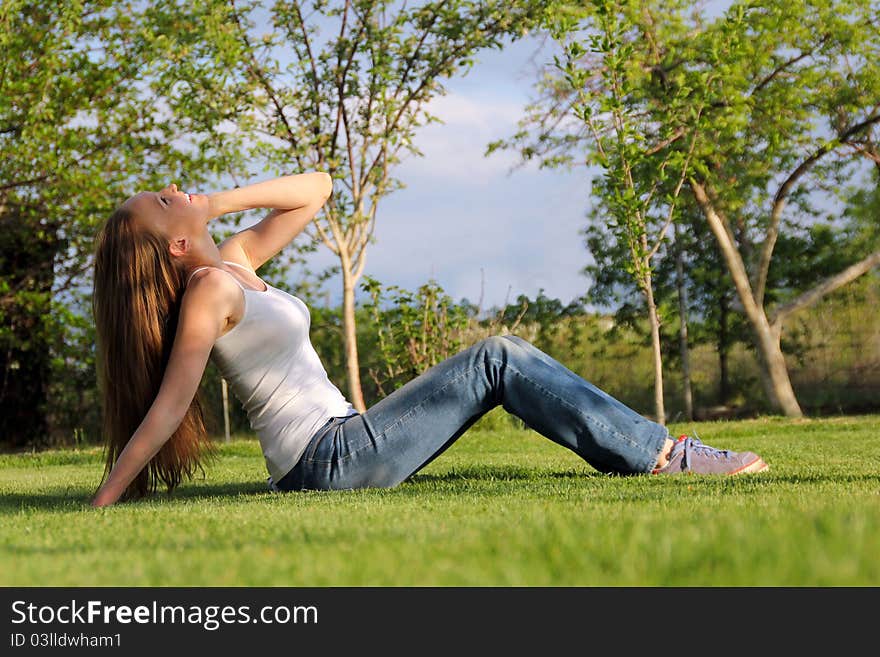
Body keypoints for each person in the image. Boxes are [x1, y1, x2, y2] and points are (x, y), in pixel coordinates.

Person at [90, 173, 768, 507]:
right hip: (324, 462)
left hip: (342, 440)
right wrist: (106, 497)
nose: (175, 187)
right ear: (176, 244)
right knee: (497, 357)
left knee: (498, 358)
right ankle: (664, 455)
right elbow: (172, 406)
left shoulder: (234, 260)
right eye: (163, 198)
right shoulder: (208, 293)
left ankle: (654, 451)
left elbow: (317, 188)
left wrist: (217, 202)